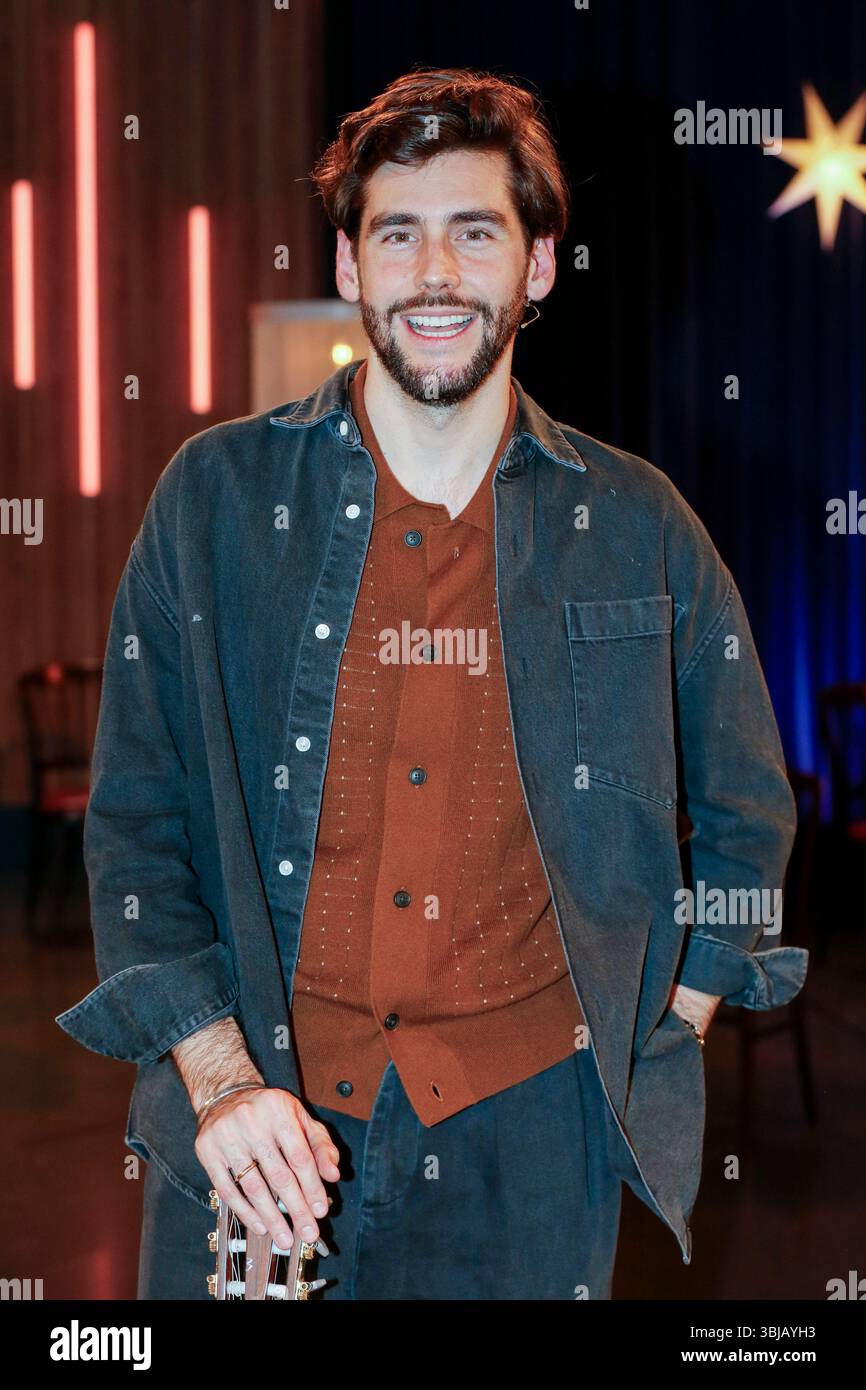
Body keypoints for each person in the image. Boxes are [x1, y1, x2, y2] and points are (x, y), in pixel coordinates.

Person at [56, 67, 808, 1301]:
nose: (436, 273)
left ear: (539, 267)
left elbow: (746, 818)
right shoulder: (216, 502)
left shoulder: (638, 525)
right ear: (351, 270)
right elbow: (137, 831)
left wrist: (658, 1029)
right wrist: (223, 1080)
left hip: (531, 1155)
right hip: (258, 1140)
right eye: (396, 235)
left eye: (476, 232)